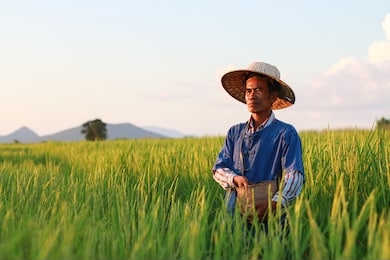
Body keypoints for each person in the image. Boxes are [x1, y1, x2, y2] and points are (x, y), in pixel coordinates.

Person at [212, 61, 304, 227]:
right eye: (248, 91)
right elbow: (218, 169)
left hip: (270, 211)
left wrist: (276, 203)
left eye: (258, 90)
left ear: (272, 96)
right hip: (234, 208)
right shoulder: (235, 132)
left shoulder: (285, 133)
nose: (251, 95)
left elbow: (294, 175)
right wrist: (234, 178)